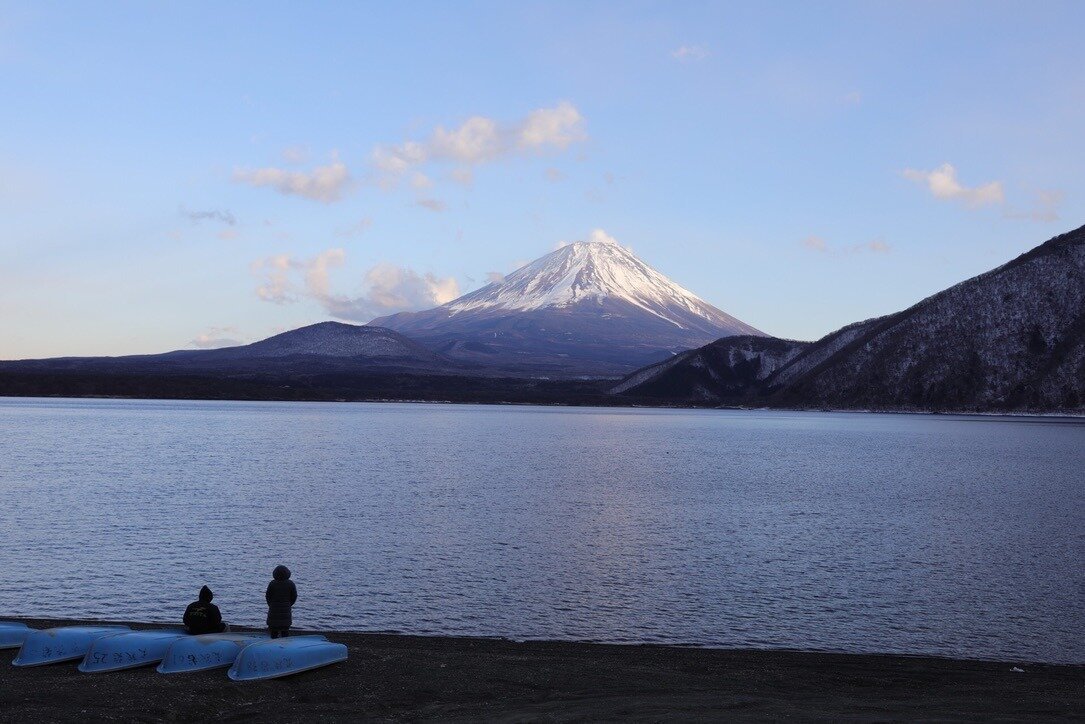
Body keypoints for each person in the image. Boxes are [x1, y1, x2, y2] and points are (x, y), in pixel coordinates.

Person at [266, 565, 298, 638]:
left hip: (273, 609)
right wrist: (289, 604)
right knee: (285, 632)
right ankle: (284, 647)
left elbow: (268, 596)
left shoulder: (272, 583)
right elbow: (294, 597)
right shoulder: (291, 584)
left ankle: (273, 646)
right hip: (286, 610)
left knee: (273, 632)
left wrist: (271, 605)